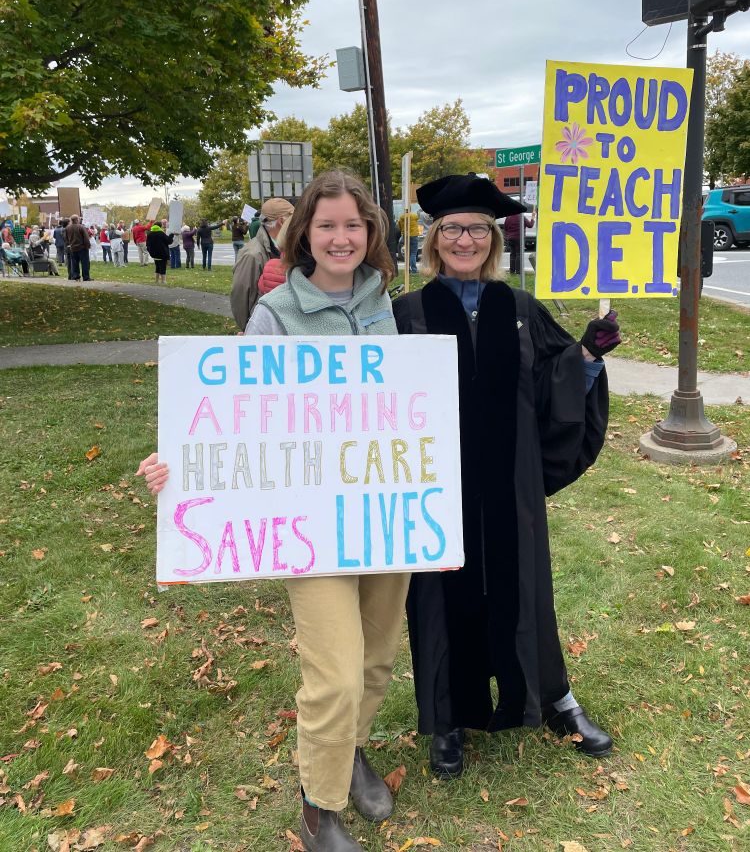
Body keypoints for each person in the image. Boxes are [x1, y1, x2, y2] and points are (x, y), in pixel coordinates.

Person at [138, 171, 406, 852]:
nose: (341, 237)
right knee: (337, 671)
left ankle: (349, 751)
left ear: (370, 233)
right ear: (303, 235)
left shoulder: (386, 304)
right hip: (309, 521)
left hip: (383, 510)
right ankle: (320, 803)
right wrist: (177, 462)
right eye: (327, 226)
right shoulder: (276, 313)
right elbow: (229, 413)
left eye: (354, 225)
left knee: (375, 660)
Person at [392, 173, 620, 777]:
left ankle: (554, 700)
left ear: (493, 240)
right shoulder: (405, 314)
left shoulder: (517, 309)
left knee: (526, 586)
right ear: (433, 239)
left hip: (509, 482)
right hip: (435, 489)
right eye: (451, 229)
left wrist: (588, 356)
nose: (464, 239)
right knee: (438, 595)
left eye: (476, 229)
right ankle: (446, 717)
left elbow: (551, 385)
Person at [230, 197, 294, 330]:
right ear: (282, 222)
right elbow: (241, 300)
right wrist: (251, 332)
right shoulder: (252, 255)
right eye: (293, 221)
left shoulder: (282, 247)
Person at [503, 210, 535, 275]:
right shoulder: (521, 217)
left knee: (512, 254)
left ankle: (512, 271)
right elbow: (530, 225)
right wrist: (532, 218)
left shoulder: (508, 217)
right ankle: (518, 271)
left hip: (510, 238)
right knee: (518, 254)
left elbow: (505, 228)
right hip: (519, 238)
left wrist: (508, 235)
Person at [65, 215, 91, 281]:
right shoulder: (81, 227)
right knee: (85, 263)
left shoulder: (68, 228)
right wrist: (88, 245)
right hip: (82, 247)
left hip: (73, 247)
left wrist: (70, 243)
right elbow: (86, 237)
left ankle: (76, 276)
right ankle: (86, 277)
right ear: (77, 220)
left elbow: (66, 238)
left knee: (74, 263)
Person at [398, 206, 420, 274]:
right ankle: (414, 270)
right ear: (410, 209)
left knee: (407, 254)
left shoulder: (401, 217)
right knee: (413, 253)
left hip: (405, 236)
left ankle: (407, 270)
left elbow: (399, 226)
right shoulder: (414, 216)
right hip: (413, 236)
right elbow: (418, 217)